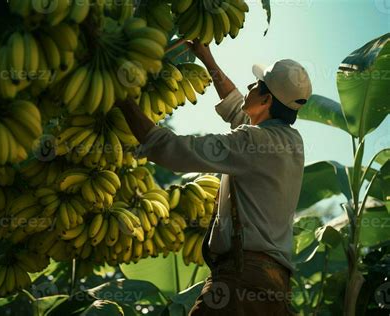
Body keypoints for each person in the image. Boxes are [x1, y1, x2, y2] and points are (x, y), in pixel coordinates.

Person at [116, 40, 312, 315]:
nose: (249, 87)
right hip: (275, 286)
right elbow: (238, 110)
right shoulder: (291, 142)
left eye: (256, 86)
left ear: (266, 100)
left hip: (241, 279)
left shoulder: (253, 141)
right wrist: (207, 59)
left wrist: (121, 99)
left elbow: (172, 150)